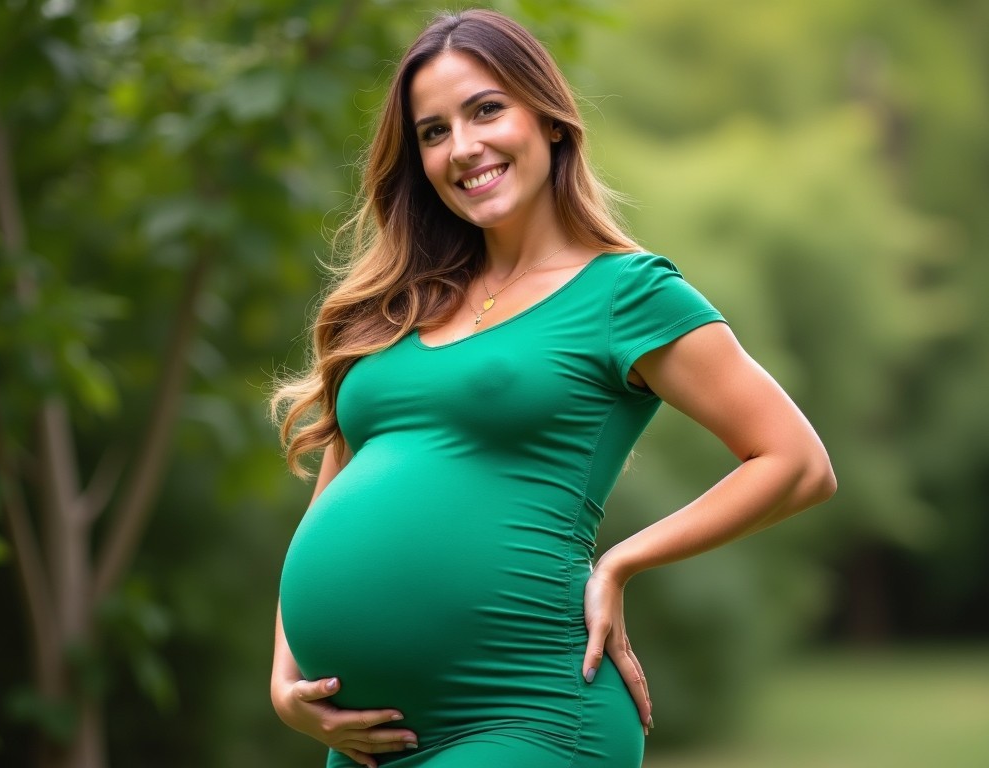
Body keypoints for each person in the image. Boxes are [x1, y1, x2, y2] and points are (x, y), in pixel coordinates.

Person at [270, 8, 835, 768]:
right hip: (368, 738)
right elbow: (337, 486)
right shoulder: (398, 304)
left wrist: (622, 562)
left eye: (486, 110)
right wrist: (284, 682)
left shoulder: (624, 293)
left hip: (529, 711)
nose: (462, 147)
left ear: (550, 120)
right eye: (433, 132)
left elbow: (795, 462)